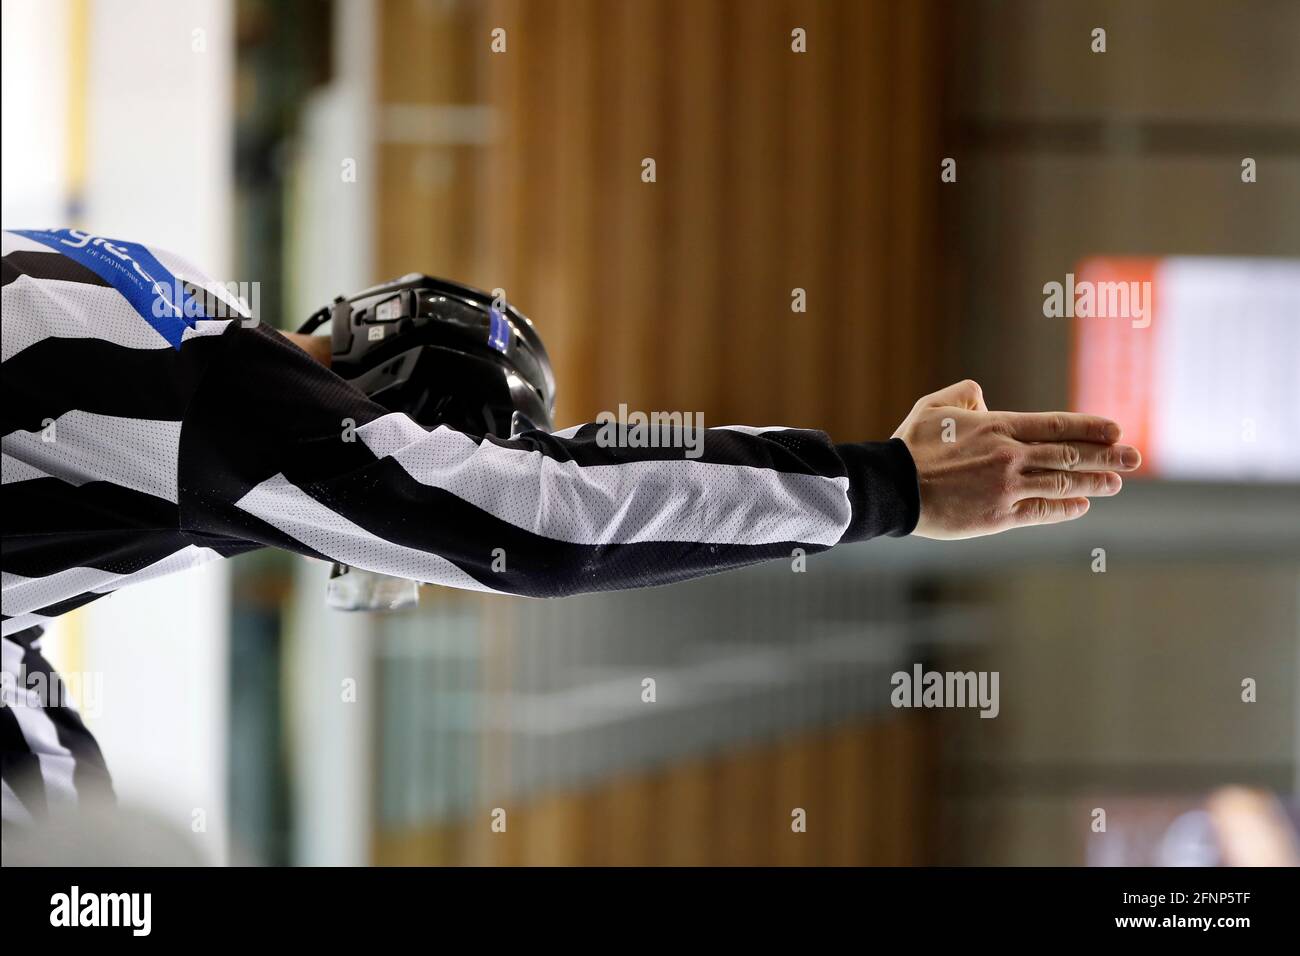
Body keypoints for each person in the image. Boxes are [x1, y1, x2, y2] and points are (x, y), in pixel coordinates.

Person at [0, 228, 1140, 826]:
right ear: (408, 425)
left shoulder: (162, 320)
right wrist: (885, 486)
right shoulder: (219, 407)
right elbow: (548, 525)